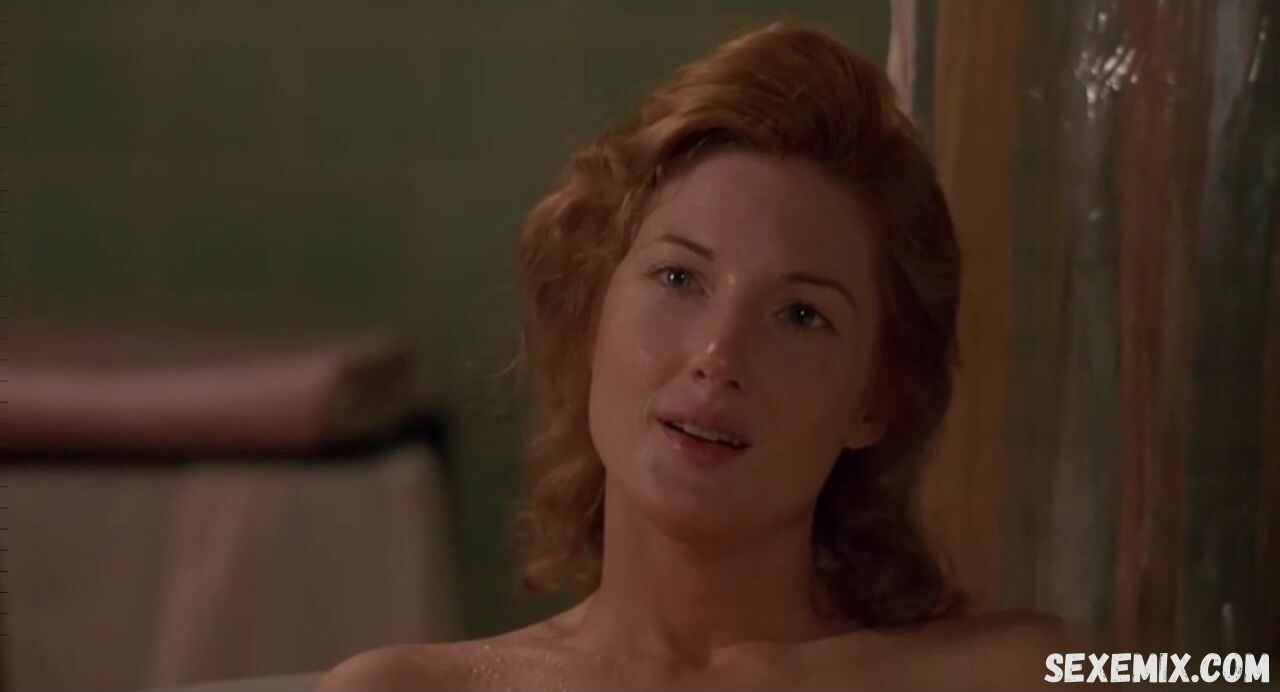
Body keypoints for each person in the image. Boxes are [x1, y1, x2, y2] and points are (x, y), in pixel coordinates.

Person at [319, 21, 1066, 692]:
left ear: (875, 400)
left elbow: (1142, 667)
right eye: (679, 279)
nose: (718, 354)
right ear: (592, 315)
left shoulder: (1020, 673)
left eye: (800, 316)